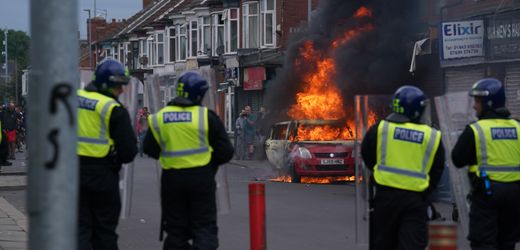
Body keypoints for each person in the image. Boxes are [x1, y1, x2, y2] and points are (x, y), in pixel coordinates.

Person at [143, 71, 234, 250]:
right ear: (199, 95)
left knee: (176, 231)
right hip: (201, 179)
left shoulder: (160, 118)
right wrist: (209, 165)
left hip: (172, 180)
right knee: (204, 228)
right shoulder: (206, 117)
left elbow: (149, 149)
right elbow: (226, 151)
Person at [361, 85, 445, 250]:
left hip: (385, 199)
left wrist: (381, 175)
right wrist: (426, 190)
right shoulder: (431, 135)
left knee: (382, 245)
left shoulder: (380, 128)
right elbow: (437, 169)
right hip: (415, 201)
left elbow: (367, 155)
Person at [452, 78, 520, 250]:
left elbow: (457, 159)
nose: (474, 106)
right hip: (514, 197)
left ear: (488, 102)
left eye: (477, 100)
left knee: (484, 244)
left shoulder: (475, 130)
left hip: (486, 197)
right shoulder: (518, 128)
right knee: (507, 244)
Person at [77, 59, 137, 250]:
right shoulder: (112, 108)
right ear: (105, 84)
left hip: (71, 174)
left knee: (79, 229)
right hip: (102, 175)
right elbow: (128, 152)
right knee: (104, 231)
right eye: (118, 86)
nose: (121, 91)